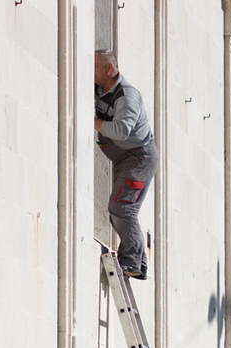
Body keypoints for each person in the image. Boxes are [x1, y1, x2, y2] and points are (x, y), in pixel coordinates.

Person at [94, 49, 159, 280]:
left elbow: (122, 131)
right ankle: (138, 263)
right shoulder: (99, 89)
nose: (91, 72)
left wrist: (94, 122)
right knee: (119, 210)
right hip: (126, 158)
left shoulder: (127, 97)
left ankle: (131, 262)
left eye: (95, 67)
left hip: (138, 157)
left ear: (109, 69)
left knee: (122, 208)